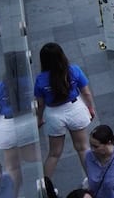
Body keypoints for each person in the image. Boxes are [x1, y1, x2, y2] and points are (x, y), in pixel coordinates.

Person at [35, 42, 95, 179]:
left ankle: (46, 188)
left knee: (54, 154)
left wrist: (39, 118)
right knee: (83, 148)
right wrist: (90, 108)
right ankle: (93, 182)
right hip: (75, 110)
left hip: (54, 115)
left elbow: (40, 103)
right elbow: (86, 93)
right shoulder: (73, 70)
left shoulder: (40, 79)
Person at [0, 70, 38, 192]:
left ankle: (14, 194)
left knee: (13, 167)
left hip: (7, 128)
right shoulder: (28, 81)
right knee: (32, 155)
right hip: (27, 122)